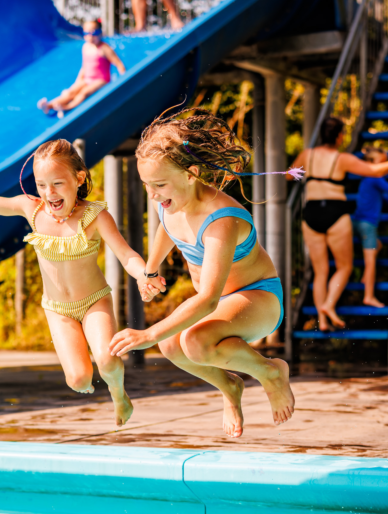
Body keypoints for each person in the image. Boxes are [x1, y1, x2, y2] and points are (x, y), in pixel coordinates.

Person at [0, 140, 164, 426]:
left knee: (108, 361)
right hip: (58, 310)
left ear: (79, 179)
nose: (49, 193)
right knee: (78, 380)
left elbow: (126, 255)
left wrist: (145, 275)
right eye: (41, 185)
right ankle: (94, 383)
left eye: (58, 183)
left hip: (94, 301)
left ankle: (118, 394)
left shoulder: (95, 216)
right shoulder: (32, 210)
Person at [109, 109, 294, 438]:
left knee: (194, 341)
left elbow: (208, 299)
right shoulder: (171, 200)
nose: (152, 194)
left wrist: (147, 334)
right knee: (170, 345)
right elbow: (167, 228)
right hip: (218, 303)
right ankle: (230, 387)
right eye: (147, 185)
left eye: (159, 185)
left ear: (191, 174)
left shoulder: (221, 220)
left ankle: (271, 372)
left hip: (258, 299)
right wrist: (150, 270)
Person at [288, 118, 388, 331]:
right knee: (344, 267)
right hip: (335, 212)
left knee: (321, 271)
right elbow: (376, 171)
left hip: (311, 212)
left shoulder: (307, 155)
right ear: (340, 136)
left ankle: (322, 321)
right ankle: (329, 305)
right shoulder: (342, 159)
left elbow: (289, 175)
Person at [38, 20, 125, 119]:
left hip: (101, 80)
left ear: (100, 33)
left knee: (84, 93)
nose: (91, 36)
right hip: (87, 78)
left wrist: (124, 81)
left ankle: (67, 107)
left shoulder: (104, 48)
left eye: (94, 33)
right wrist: (78, 81)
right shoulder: (85, 47)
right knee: (71, 92)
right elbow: (84, 67)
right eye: (87, 33)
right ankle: (49, 105)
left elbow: (119, 64)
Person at [353, 146, 388, 308]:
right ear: (372, 164)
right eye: (383, 163)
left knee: (377, 245)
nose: (385, 166)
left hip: (359, 222)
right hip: (367, 224)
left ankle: (366, 277)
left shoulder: (367, 178)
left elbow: (384, 197)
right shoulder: (374, 176)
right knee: (370, 261)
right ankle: (369, 296)